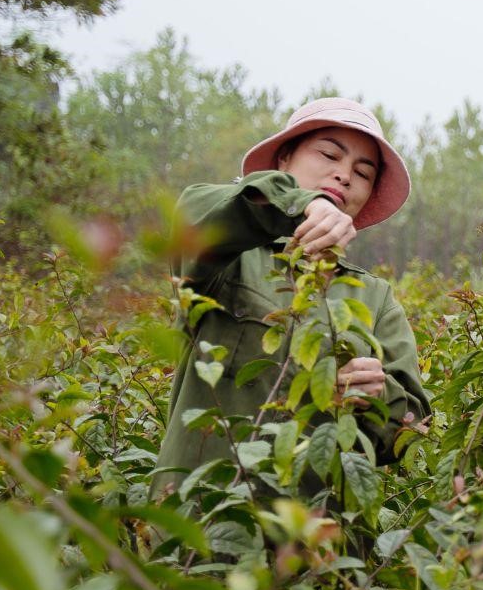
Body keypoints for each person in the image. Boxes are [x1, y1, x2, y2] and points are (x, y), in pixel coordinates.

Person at [157, 97, 431, 483]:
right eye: (328, 155)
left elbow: (413, 429)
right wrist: (301, 203)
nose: (344, 176)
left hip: (316, 534)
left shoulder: (374, 298)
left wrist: (376, 395)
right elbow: (194, 210)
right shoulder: (230, 259)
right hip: (199, 519)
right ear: (284, 159)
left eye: (363, 172)